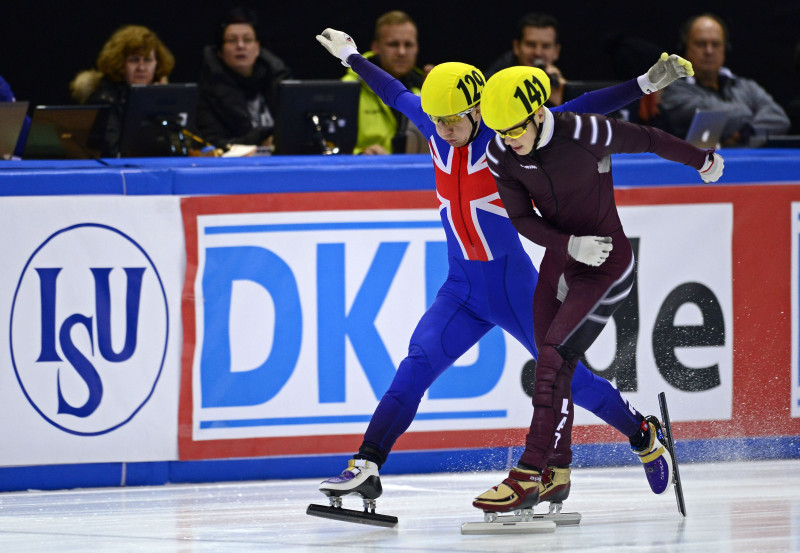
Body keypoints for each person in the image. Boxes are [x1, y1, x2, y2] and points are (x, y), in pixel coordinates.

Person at [315, 28, 694, 513]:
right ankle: (366, 465)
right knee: (414, 368)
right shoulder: (434, 129)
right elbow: (395, 92)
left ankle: (642, 433)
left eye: (453, 119)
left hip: (510, 287)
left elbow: (584, 108)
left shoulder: (507, 136)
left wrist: (643, 84)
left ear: (477, 110)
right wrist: (352, 57)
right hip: (460, 289)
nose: (444, 128)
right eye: (437, 119)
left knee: (567, 378)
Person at [472, 65, 723, 513]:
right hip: (561, 260)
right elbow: (522, 219)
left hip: (607, 267)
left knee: (551, 359)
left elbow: (649, 138)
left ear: (536, 114)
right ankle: (566, 468)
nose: (508, 140)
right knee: (555, 367)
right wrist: (568, 244)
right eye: (500, 131)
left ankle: (529, 471)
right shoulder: (499, 154)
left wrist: (701, 159)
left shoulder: (584, 131)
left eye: (514, 130)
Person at [659, 13, 789, 146]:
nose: (709, 51)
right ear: (685, 48)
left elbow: (780, 118)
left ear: (725, 48)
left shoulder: (746, 86)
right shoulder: (673, 90)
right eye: (701, 44)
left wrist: (747, 133)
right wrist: (753, 117)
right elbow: (711, 115)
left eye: (716, 44)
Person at [70, 25, 175, 157]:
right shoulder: (104, 99)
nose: (142, 67)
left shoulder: (164, 97)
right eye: (134, 60)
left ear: (157, 64)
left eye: (147, 60)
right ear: (119, 63)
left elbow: (181, 147)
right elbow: (115, 154)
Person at [196, 7, 291, 149]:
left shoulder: (280, 82)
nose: (240, 46)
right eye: (232, 40)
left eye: (247, 40)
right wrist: (259, 141)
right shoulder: (207, 92)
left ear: (257, 47)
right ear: (220, 52)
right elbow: (210, 144)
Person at [342, 10, 429, 155]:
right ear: (376, 47)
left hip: (416, 175)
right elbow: (330, 147)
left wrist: (438, 99)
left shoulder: (424, 88)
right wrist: (359, 155)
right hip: (366, 174)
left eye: (408, 45)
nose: (401, 52)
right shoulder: (348, 89)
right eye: (393, 44)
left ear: (417, 48)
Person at [485, 13, 567, 106]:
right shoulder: (494, 80)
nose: (538, 53)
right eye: (530, 44)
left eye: (546, 46)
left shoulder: (559, 82)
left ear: (556, 51)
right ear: (516, 47)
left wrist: (561, 102)